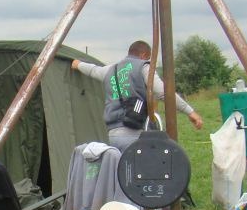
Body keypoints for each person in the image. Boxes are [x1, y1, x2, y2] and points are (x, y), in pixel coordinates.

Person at [70, 40, 203, 151]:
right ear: (144, 54)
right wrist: (190, 112)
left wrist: (77, 64)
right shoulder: (143, 67)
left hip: (113, 136)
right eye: (149, 57)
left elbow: (93, 70)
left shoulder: (111, 69)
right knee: (144, 177)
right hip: (136, 133)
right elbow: (163, 93)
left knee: (122, 177)